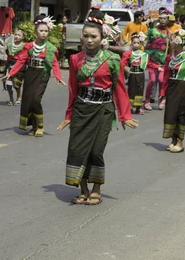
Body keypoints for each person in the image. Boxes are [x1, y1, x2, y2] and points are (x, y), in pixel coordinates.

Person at [57, 12, 138, 205]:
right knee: (78, 150)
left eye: (94, 36)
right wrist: (69, 115)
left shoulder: (112, 59)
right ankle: (83, 189)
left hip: (103, 110)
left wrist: (125, 115)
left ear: (102, 38)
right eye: (86, 35)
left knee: (95, 151)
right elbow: (72, 90)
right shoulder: (75, 59)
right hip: (81, 109)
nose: (89, 39)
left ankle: (96, 189)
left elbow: (119, 88)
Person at [4, 16, 66, 136]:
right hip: (30, 74)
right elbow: (21, 61)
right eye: (41, 30)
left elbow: (54, 64)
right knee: (28, 100)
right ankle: (33, 127)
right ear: (35, 32)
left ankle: (40, 126)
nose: (44, 33)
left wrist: (58, 77)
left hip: (42, 75)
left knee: (36, 100)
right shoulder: (29, 46)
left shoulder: (51, 48)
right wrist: (10, 73)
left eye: (46, 31)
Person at [160, 29, 185, 153]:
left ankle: (180, 141)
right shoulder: (170, 57)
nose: (170, 42)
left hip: (182, 86)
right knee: (170, 113)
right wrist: (162, 92)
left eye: (172, 40)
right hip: (171, 86)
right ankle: (173, 139)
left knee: (181, 113)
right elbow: (166, 76)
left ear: (179, 42)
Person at [122, 32, 155, 115]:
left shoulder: (144, 54)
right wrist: (123, 68)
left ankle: (138, 108)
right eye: (134, 43)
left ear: (141, 44)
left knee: (140, 91)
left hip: (140, 74)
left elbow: (149, 64)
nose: (136, 44)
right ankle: (129, 108)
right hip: (132, 74)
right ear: (131, 44)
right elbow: (122, 62)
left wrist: (157, 66)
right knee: (131, 90)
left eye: (138, 43)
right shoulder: (129, 53)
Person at [144, 12, 170, 110]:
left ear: (167, 20)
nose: (163, 20)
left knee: (161, 80)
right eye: (161, 18)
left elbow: (171, 47)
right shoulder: (152, 31)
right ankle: (147, 100)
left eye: (165, 18)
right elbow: (146, 42)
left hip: (163, 60)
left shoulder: (169, 33)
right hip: (152, 59)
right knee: (152, 80)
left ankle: (161, 100)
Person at [4, 28, 26, 106]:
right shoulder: (10, 45)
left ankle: (19, 97)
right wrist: (6, 66)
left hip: (20, 67)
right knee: (8, 84)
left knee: (16, 83)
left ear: (23, 37)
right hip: (11, 65)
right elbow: (8, 56)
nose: (17, 36)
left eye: (19, 35)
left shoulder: (24, 46)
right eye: (15, 34)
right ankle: (11, 99)